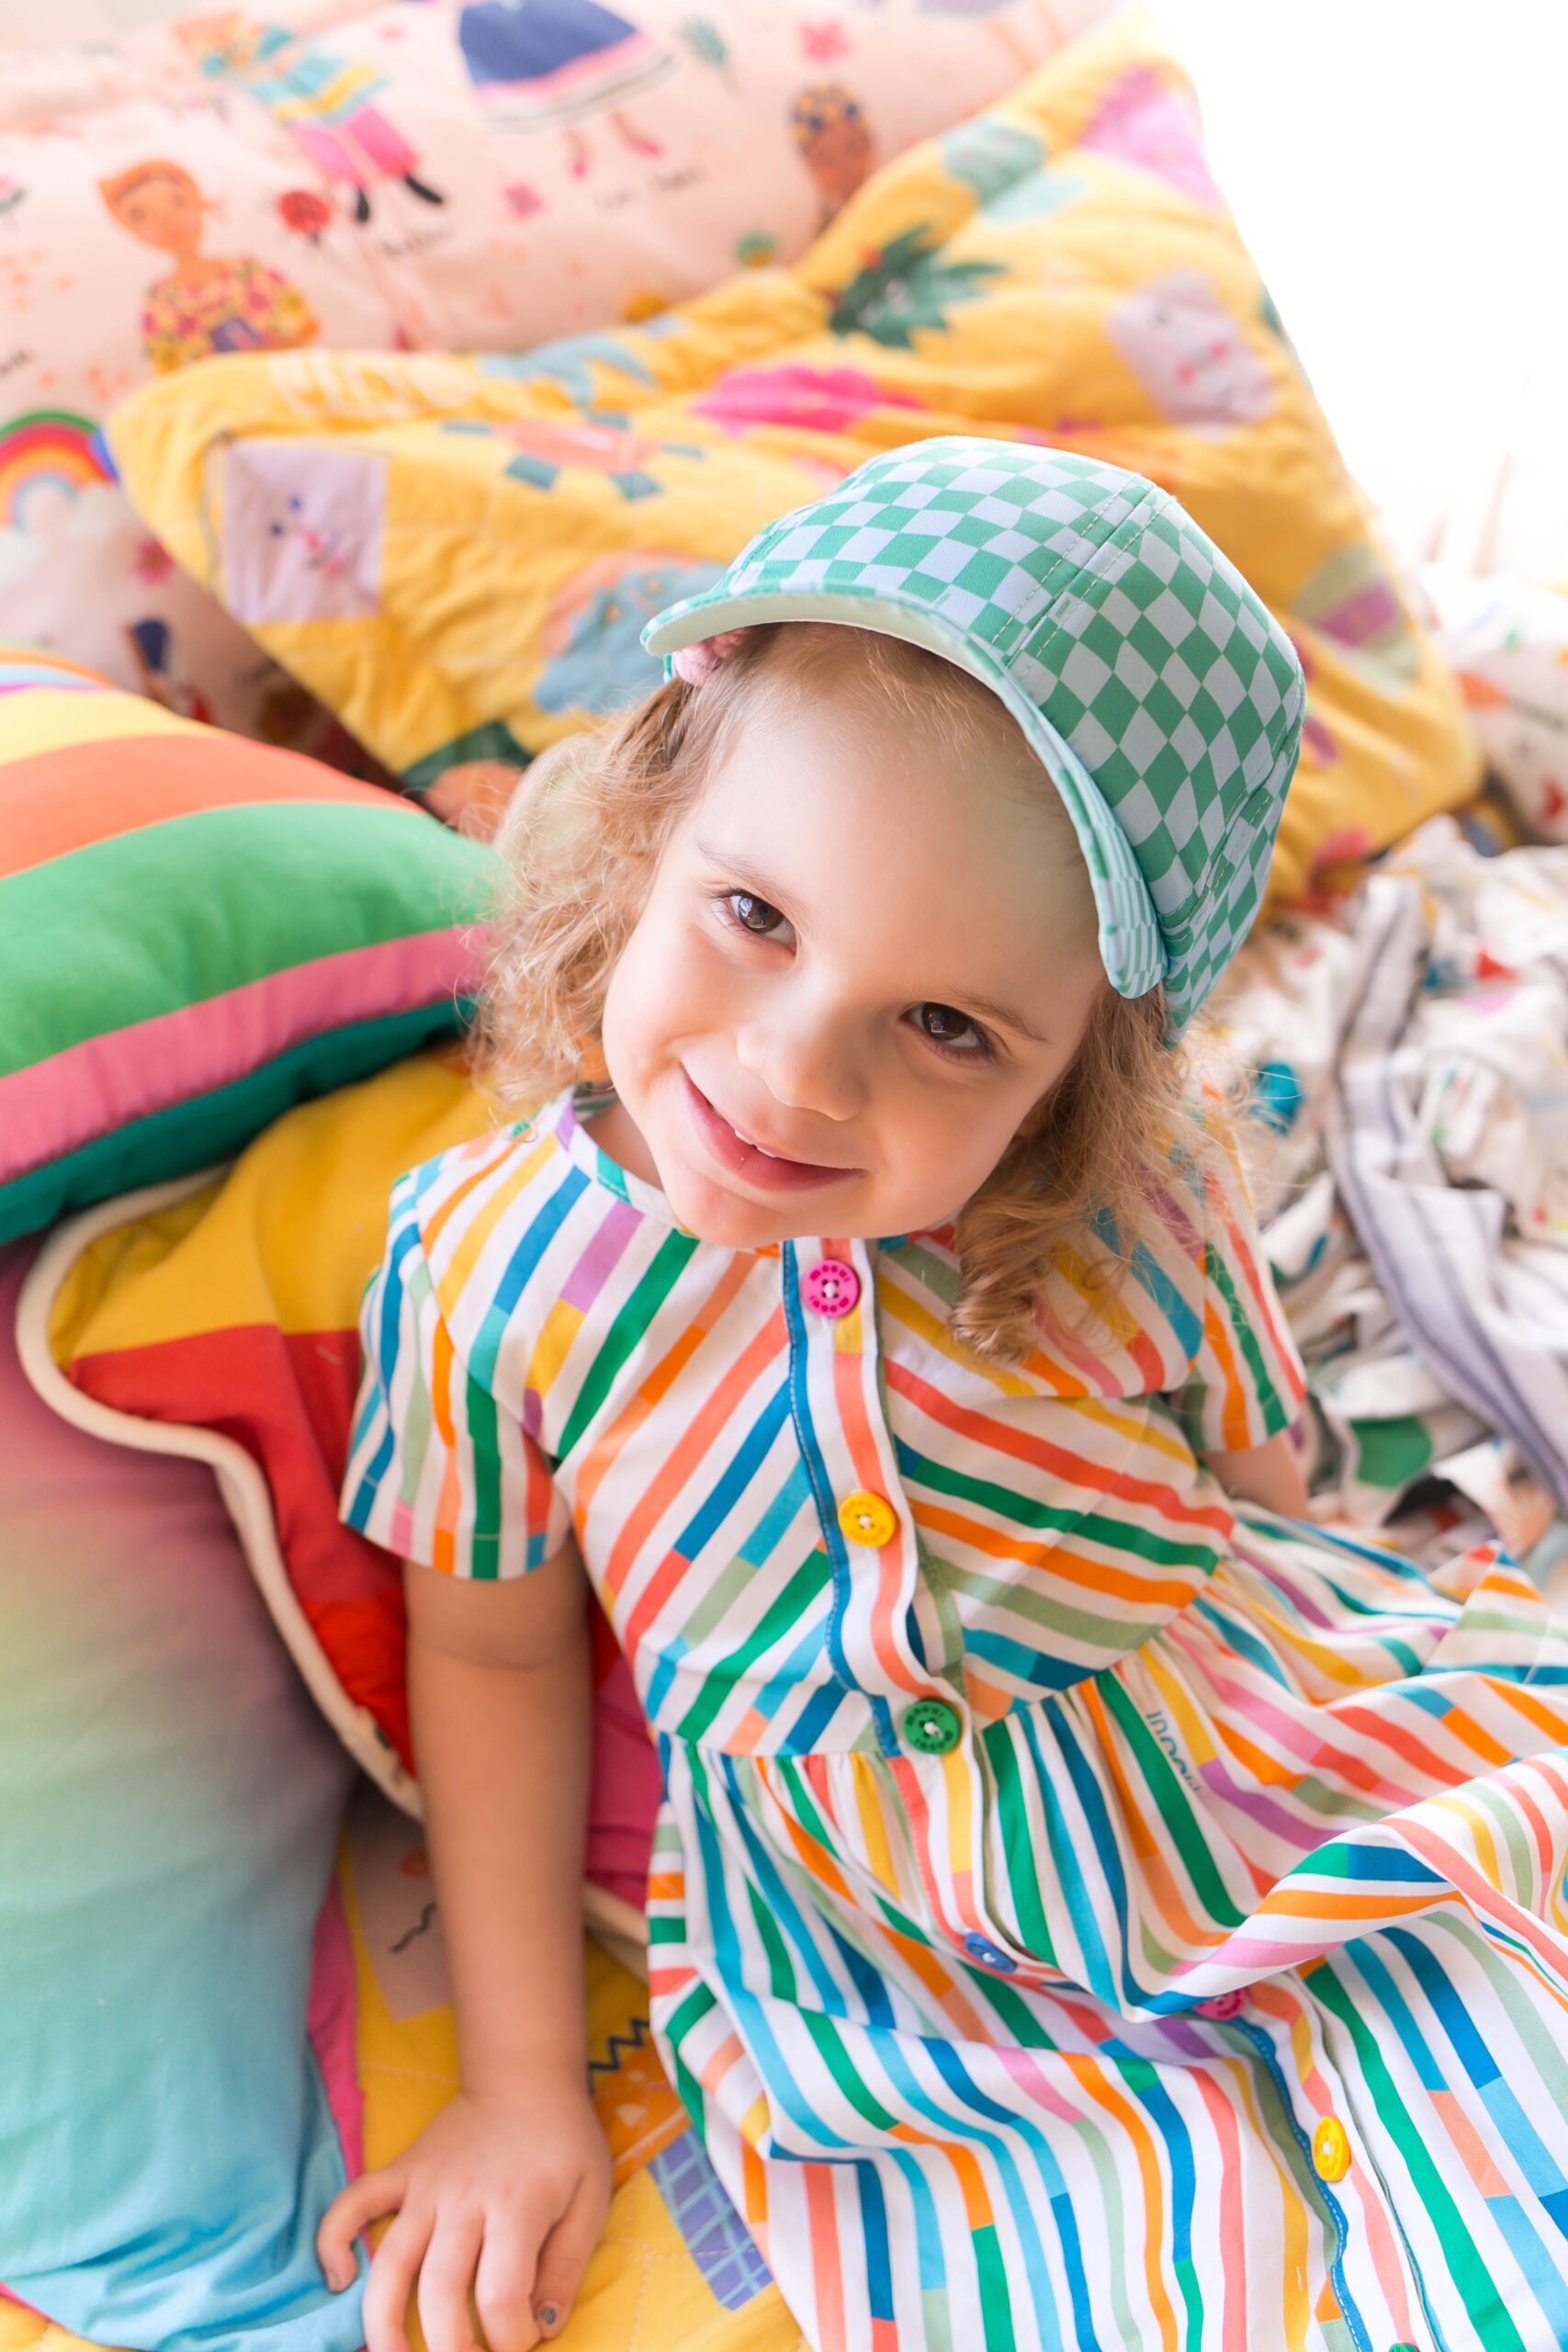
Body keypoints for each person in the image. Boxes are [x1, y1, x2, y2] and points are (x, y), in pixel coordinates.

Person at [320, 440, 1568, 2352]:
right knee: (1097, 2257)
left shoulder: (1133, 1201)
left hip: (1245, 1734)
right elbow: (490, 1656)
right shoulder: (480, 1258)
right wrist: (519, 2084)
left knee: (1502, 2042)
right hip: (869, 1937)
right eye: (753, 917)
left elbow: (1259, 1481)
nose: (795, 1074)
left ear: (1070, 1070)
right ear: (651, 825)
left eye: (945, 1026)